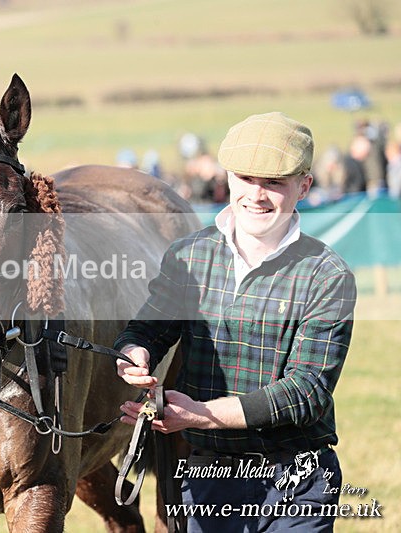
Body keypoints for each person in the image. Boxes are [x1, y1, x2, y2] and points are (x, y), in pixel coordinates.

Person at [114, 112, 356, 532]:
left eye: (274, 182)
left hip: (297, 481)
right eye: (245, 179)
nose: (256, 195)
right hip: (208, 478)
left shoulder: (328, 275)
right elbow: (150, 328)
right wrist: (135, 351)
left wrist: (202, 415)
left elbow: (308, 392)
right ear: (228, 179)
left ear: (304, 186)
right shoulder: (189, 256)